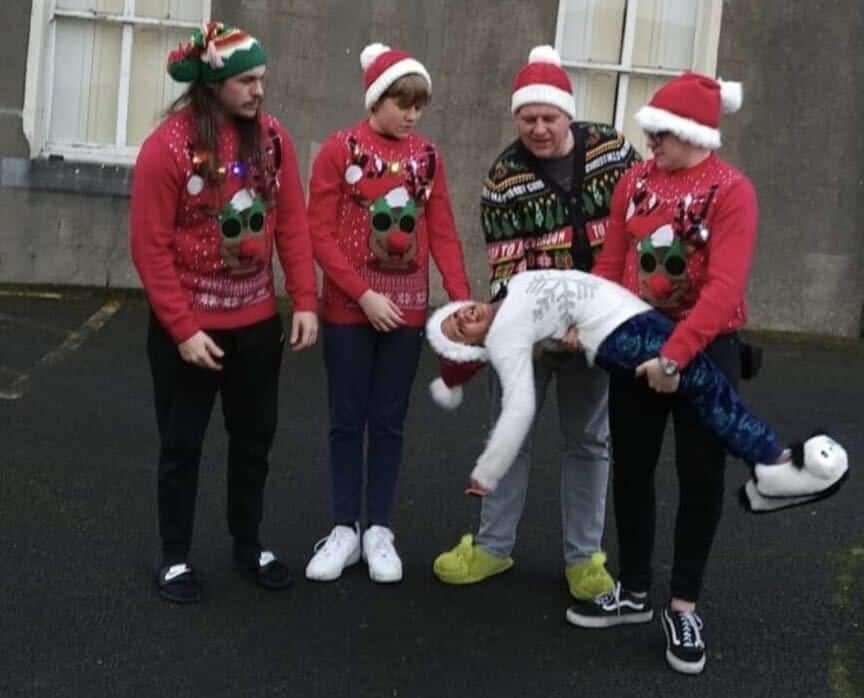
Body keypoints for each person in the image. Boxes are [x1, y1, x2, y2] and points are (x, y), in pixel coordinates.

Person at [432, 46, 640, 602]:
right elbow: (507, 266)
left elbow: (638, 234)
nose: (540, 129)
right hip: (525, 328)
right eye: (529, 119)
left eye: (549, 117)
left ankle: (585, 559)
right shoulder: (503, 178)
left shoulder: (615, 153)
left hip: (598, 321)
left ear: (568, 114)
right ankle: (493, 546)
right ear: (516, 118)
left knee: (590, 441)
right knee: (510, 434)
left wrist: (596, 319)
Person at [574, 71, 764, 674]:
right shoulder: (633, 181)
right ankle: (633, 589)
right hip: (638, 346)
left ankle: (682, 603)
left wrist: (676, 357)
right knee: (629, 468)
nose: (649, 140)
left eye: (660, 132)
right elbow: (610, 262)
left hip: (705, 351)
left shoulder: (733, 191)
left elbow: (723, 288)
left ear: (694, 132)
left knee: (699, 476)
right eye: (649, 130)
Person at [130, 22, 318, 603]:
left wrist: (304, 298)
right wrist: (183, 328)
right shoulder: (168, 148)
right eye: (245, 81)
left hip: (256, 326)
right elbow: (149, 246)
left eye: (261, 78)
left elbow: (291, 220)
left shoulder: (275, 140)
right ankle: (174, 558)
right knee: (182, 446)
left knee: (254, 443)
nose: (259, 90)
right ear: (212, 84)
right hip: (189, 332)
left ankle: (247, 544)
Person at [424, 269, 847, 516]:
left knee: (706, 375)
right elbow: (518, 409)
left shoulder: (512, 285)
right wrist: (487, 472)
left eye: (455, 315)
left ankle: (765, 480)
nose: (465, 317)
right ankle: (774, 462)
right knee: (706, 385)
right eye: (462, 330)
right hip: (618, 335)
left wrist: (556, 330)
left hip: (630, 312)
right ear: (478, 344)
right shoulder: (504, 339)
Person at [303, 43, 471, 584]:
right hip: (351, 311)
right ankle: (343, 528)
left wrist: (461, 298)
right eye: (403, 103)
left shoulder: (428, 157)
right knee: (346, 419)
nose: (412, 115)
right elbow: (318, 232)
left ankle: (379, 528)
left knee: (390, 421)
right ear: (377, 99)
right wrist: (360, 293)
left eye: (418, 106)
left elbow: (441, 229)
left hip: (406, 312)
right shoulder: (339, 149)